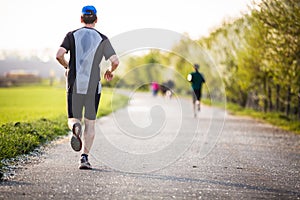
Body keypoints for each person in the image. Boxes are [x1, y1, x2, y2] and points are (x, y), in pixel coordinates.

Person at [56, 5, 119, 169]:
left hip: (74, 85)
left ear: (81, 19)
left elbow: (59, 55)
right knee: (90, 123)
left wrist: (67, 66)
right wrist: (110, 71)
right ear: (96, 20)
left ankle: (75, 127)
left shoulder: (72, 35)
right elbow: (115, 61)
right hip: (93, 87)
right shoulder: (102, 38)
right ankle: (84, 158)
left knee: (73, 119)